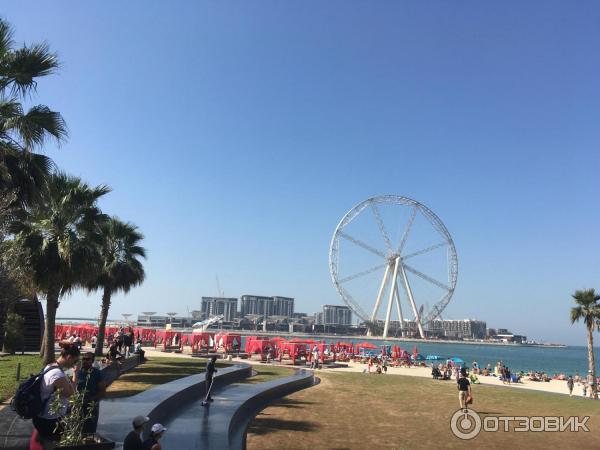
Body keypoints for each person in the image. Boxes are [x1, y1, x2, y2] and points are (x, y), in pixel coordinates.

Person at [32, 342, 80, 449]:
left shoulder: (50, 366)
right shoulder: (57, 374)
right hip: (50, 419)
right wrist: (76, 373)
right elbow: (70, 393)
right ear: (68, 357)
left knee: (45, 444)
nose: (74, 363)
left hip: (44, 415)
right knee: (51, 445)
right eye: (75, 360)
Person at [73, 352, 106, 434]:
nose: (85, 361)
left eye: (87, 359)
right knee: (77, 428)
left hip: (91, 406)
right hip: (78, 405)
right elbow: (72, 387)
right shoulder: (77, 372)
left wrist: (92, 400)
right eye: (83, 359)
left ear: (92, 361)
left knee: (90, 429)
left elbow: (102, 391)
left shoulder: (97, 373)